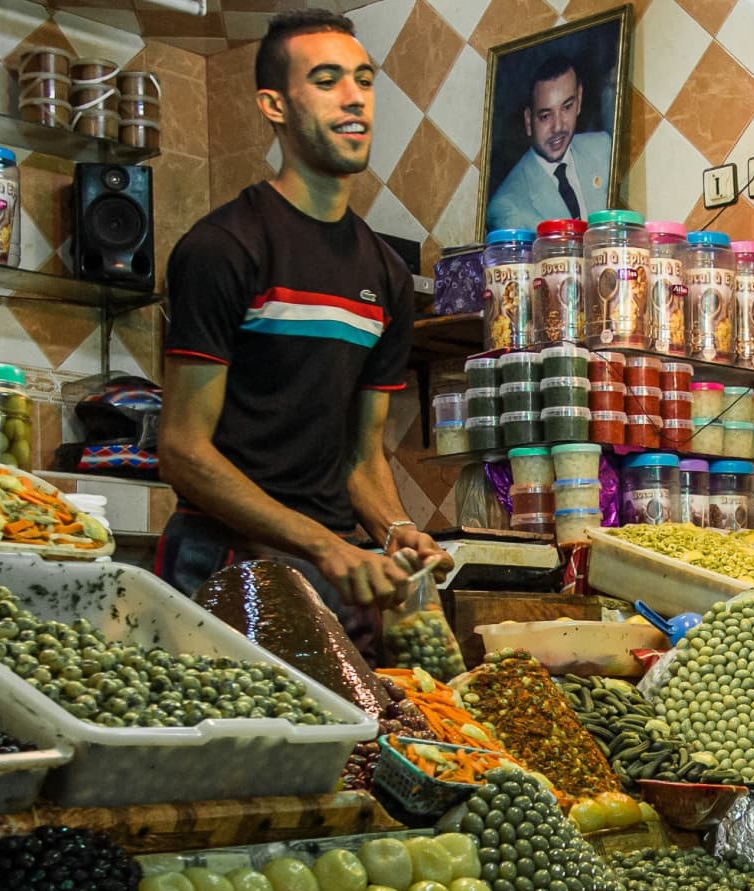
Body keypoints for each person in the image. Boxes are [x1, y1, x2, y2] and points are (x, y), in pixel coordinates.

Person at [156, 8, 451, 645]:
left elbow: (359, 454)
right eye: (326, 80)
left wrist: (395, 531)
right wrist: (324, 546)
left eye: (363, 80)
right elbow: (183, 451)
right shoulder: (225, 248)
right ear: (275, 105)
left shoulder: (387, 276)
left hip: (334, 567)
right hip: (225, 559)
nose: (354, 98)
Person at [484, 55, 613, 231]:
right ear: (529, 121)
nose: (558, 127)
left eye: (567, 107)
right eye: (545, 116)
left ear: (579, 100)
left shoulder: (603, 147)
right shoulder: (507, 208)